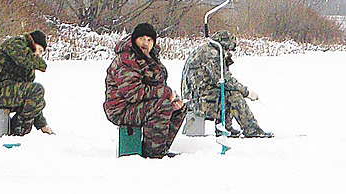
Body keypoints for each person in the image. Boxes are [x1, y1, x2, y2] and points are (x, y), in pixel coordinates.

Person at [104, 22, 187, 158]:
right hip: (121, 109)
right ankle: (153, 154)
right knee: (162, 106)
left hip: (138, 105)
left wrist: (171, 97)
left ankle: (160, 148)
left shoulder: (150, 57)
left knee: (178, 108)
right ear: (134, 39)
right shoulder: (127, 59)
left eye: (149, 40)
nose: (145, 43)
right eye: (141, 38)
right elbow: (132, 93)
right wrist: (165, 93)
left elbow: (157, 82)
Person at [181, 30, 273, 138]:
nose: (230, 51)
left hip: (197, 94)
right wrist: (246, 92)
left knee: (225, 91)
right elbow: (223, 79)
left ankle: (224, 127)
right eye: (229, 48)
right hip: (197, 100)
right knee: (233, 94)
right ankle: (250, 129)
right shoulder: (211, 54)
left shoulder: (208, 49)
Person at [0, 30, 55, 136]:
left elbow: (31, 97)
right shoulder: (15, 44)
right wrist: (42, 64)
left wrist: (42, 125)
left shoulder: (28, 67)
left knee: (38, 100)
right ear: (32, 42)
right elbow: (24, 58)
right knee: (37, 90)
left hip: (2, 91)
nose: (38, 54)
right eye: (39, 50)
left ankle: (15, 130)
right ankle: (17, 132)